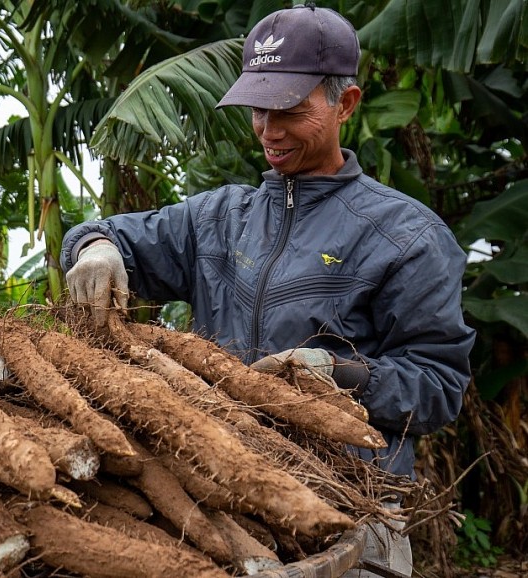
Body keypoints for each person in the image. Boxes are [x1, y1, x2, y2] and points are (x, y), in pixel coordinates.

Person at [60, 3, 475, 576]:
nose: (269, 130)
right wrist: (95, 248)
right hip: (223, 500)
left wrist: (339, 373)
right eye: (260, 109)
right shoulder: (218, 217)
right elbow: (117, 237)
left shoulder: (407, 237)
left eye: (290, 111)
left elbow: (437, 385)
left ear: (345, 104)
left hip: (348, 508)